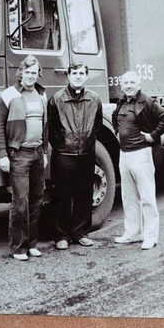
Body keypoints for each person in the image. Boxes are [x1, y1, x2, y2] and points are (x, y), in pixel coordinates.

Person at [0, 55, 48, 262]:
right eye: (28, 72)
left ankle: (32, 244)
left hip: (37, 153)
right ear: (21, 72)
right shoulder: (8, 95)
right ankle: (18, 248)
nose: (31, 76)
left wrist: (44, 153)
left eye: (35, 73)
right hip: (19, 155)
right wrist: (3, 156)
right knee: (21, 203)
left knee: (37, 200)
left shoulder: (42, 94)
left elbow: (46, 126)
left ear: (38, 74)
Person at [112, 71, 164, 250]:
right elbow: (115, 118)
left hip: (142, 153)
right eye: (125, 83)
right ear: (121, 86)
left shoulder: (146, 101)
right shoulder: (121, 101)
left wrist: (152, 136)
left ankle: (150, 236)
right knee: (129, 196)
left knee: (147, 196)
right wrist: (117, 133)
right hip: (124, 155)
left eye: (132, 82)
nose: (129, 85)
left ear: (139, 84)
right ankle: (132, 233)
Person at [48, 61, 103, 250]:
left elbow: (97, 126)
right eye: (74, 73)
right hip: (64, 154)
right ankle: (61, 235)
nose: (78, 76)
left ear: (86, 76)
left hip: (86, 154)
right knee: (61, 195)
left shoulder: (94, 99)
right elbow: (52, 128)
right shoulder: (56, 99)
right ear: (68, 75)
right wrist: (63, 145)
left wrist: (86, 143)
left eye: (81, 73)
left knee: (84, 193)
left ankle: (81, 232)